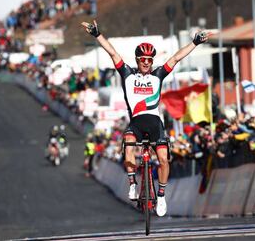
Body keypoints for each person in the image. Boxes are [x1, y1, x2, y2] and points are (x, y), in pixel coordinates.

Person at [81, 20, 210, 217]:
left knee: (164, 160)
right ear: (137, 60)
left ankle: (161, 195)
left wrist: (195, 42)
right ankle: (132, 182)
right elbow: (113, 53)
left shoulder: (158, 75)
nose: (147, 63)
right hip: (136, 123)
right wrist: (97, 34)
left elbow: (175, 58)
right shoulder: (127, 75)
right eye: (143, 59)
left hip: (155, 123)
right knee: (129, 146)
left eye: (150, 59)